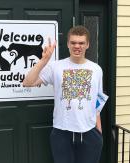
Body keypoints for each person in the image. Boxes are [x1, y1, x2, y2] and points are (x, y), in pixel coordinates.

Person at [23, 25, 108, 163]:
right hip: (62, 132)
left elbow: (97, 101)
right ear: (68, 44)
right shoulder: (55, 67)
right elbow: (27, 82)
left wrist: (99, 132)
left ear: (87, 45)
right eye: (73, 42)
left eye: (81, 43)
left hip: (89, 132)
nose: (77, 46)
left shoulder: (96, 69)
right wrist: (44, 60)